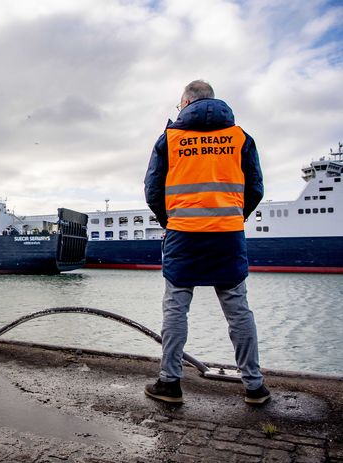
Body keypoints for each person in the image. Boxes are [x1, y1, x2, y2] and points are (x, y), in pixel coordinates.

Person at [143, 80, 270, 404]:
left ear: (185, 102)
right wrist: (232, 218)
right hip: (227, 235)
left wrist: (171, 221)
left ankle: (170, 383)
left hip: (183, 235)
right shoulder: (240, 138)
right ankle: (254, 386)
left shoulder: (170, 139)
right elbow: (255, 187)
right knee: (238, 310)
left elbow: (153, 189)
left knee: (175, 308)